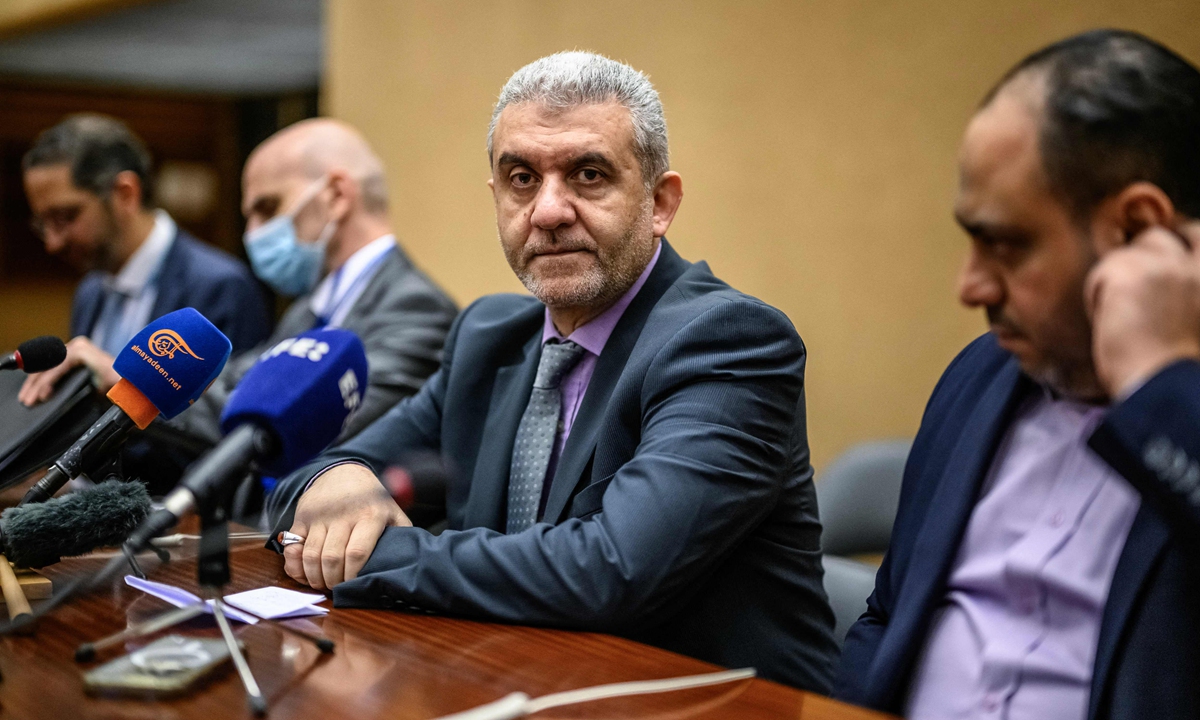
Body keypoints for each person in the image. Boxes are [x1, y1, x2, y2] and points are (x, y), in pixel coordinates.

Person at [265, 51, 838, 691]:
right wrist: (336, 476)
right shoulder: (487, 338)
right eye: (521, 178)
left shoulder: (730, 342)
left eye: (588, 174)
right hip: (515, 682)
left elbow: (611, 570)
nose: (548, 211)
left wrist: (370, 554)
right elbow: (306, 482)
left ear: (660, 202)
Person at [836, 30, 1200, 720]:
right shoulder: (979, 374)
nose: (969, 286)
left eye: (1005, 245)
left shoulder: (1180, 416)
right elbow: (885, 618)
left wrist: (1160, 385)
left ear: (1136, 229)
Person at [172, 118, 458, 448]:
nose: (252, 233)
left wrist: (140, 389)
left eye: (267, 208)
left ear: (336, 196)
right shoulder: (307, 310)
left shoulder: (419, 310)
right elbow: (234, 382)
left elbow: (294, 420)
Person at [18, 114, 270, 406]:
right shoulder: (90, 290)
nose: (52, 242)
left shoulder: (221, 286)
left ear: (125, 194)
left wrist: (125, 382)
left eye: (65, 217)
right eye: (42, 224)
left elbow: (231, 417)